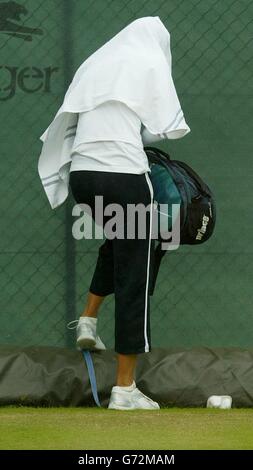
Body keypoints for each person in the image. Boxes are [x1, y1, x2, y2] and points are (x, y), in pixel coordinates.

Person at [38, 16, 190, 410]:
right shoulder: (149, 62)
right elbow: (162, 129)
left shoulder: (96, 62)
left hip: (83, 179)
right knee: (134, 276)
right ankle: (124, 389)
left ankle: (88, 319)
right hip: (124, 178)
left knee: (120, 243)